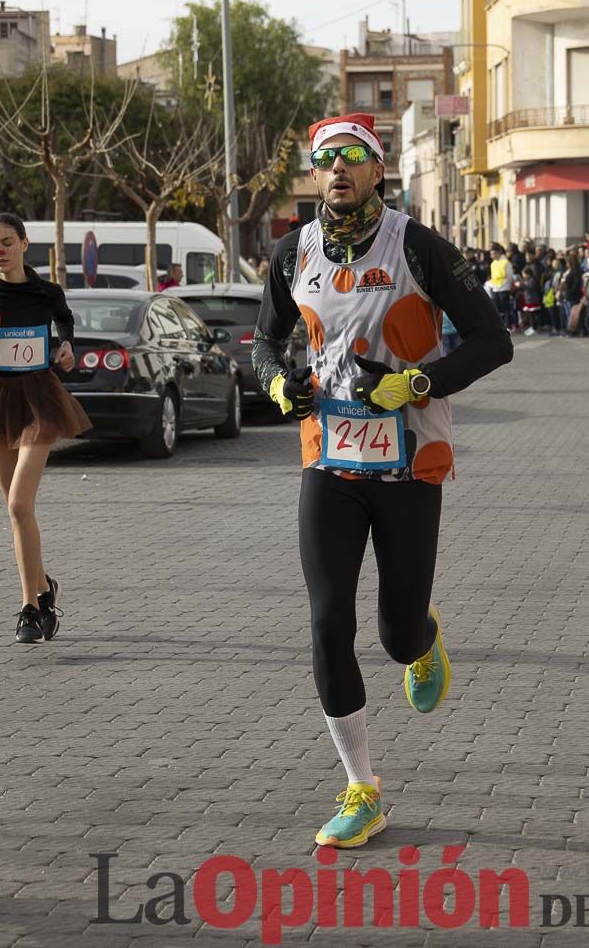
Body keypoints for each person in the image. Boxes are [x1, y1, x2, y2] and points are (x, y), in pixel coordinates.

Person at [251, 112, 512, 849]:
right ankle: (362, 786)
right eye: (324, 158)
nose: (335, 168)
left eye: (350, 156)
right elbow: (266, 343)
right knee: (329, 620)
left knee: (395, 636)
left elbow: (495, 342)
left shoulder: (419, 247)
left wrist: (421, 383)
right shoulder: (291, 251)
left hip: (406, 466)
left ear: (377, 170)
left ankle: (423, 639)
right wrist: (275, 385)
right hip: (328, 462)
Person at [0, 213, 92, 644]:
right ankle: (43, 588)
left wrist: (67, 346)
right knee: (18, 514)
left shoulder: (44, 292)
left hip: (38, 399)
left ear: (24, 244)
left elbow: (65, 321)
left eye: (6, 241)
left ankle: (30, 609)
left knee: (19, 505)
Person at [488, 244, 515, 329]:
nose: (492, 256)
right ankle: (500, 325)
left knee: (505, 308)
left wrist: (509, 286)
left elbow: (510, 276)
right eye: (491, 254)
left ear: (499, 252)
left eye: (494, 254)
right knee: (497, 308)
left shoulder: (506, 262)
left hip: (504, 287)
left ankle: (508, 325)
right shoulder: (493, 263)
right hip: (495, 288)